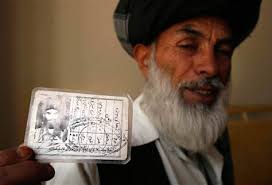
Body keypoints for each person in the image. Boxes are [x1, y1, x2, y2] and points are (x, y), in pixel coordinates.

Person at [0, 0, 262, 184]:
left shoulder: (216, 142)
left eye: (224, 51)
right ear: (145, 59)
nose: (212, 67)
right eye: (188, 45)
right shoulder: (83, 162)